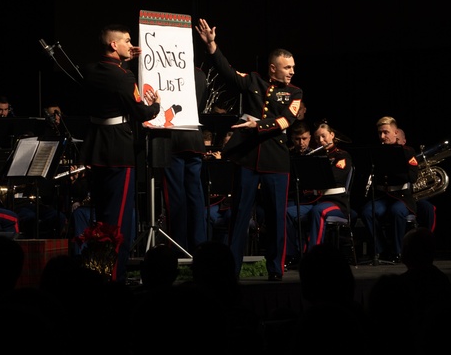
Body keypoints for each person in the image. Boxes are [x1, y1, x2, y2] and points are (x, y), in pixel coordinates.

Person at [195, 19, 303, 281]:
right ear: (272, 68)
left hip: (276, 161)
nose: (291, 72)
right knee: (239, 216)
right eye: (287, 67)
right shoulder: (254, 80)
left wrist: (258, 125)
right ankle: (232, 268)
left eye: (293, 68)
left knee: (277, 217)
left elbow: (286, 121)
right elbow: (227, 72)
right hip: (248, 159)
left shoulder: (295, 92)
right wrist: (212, 46)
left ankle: (275, 269)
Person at [79, 23, 161, 283]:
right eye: (126, 41)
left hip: (96, 148)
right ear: (114, 45)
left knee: (103, 216)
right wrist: (156, 105)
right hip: (119, 150)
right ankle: (116, 274)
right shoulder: (123, 77)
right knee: (120, 218)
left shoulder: (89, 70)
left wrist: (125, 62)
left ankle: (99, 270)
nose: (131, 44)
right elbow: (141, 112)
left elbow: (110, 83)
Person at [286, 122, 353, 262]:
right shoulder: (314, 156)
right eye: (317, 138)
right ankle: (294, 254)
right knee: (287, 213)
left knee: (319, 211)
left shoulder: (342, 155)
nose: (321, 141)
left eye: (324, 136)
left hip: (336, 202)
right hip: (315, 201)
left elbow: (333, 178)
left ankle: (312, 257)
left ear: (332, 135)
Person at [161, 66, 209, 254]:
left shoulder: (163, 71)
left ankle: (179, 248)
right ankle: (199, 247)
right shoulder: (199, 74)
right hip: (194, 139)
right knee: (195, 195)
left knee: (175, 197)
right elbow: (201, 105)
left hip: (171, 140)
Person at [360, 116, 419, 264]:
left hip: (402, 196)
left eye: (386, 132)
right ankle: (381, 250)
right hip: (383, 196)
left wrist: (393, 168)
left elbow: (413, 177)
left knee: (397, 211)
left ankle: (398, 252)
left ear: (396, 132)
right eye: (380, 133)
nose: (382, 136)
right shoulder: (377, 151)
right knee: (367, 212)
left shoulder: (407, 151)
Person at [396, 128, 437, 231]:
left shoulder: (409, 153)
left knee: (428, 208)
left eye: (397, 140)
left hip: (413, 196)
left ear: (404, 142)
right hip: (398, 197)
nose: (395, 143)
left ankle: (427, 240)